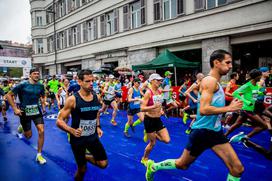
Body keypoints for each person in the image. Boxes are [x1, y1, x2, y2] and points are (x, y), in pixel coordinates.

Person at [144, 50, 244, 181]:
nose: (231, 66)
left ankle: (153, 166)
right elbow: (203, 109)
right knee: (182, 164)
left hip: (215, 131)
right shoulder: (210, 81)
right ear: (216, 63)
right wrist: (229, 108)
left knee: (237, 169)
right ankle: (153, 167)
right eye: (228, 62)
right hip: (202, 132)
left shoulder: (216, 83)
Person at [56, 69, 108, 181]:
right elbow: (59, 120)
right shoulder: (72, 100)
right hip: (78, 139)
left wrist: (98, 126)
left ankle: (82, 156)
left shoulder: (96, 97)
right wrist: (71, 130)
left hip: (92, 136)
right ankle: (80, 158)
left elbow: (96, 113)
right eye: (88, 81)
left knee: (103, 164)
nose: (91, 84)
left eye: (92, 81)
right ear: (79, 82)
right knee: (82, 169)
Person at [6, 68, 47, 164]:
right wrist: (15, 109)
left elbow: (42, 95)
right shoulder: (22, 85)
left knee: (41, 131)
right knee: (28, 136)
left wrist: (43, 102)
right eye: (35, 74)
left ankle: (39, 155)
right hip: (25, 112)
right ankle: (22, 127)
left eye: (38, 74)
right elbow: (8, 95)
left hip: (36, 111)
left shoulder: (40, 85)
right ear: (30, 75)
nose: (37, 75)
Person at [141, 73, 170, 166]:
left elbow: (159, 103)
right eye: (158, 80)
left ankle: (151, 133)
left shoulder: (159, 91)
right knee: (152, 143)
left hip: (158, 120)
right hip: (149, 120)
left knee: (167, 140)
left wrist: (161, 110)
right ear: (152, 81)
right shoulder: (148, 92)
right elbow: (142, 108)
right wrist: (153, 107)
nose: (160, 82)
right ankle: (144, 158)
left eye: (160, 80)